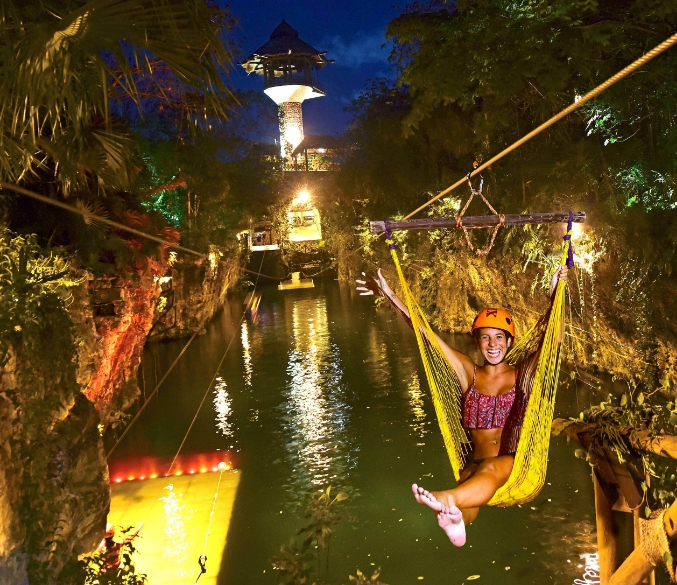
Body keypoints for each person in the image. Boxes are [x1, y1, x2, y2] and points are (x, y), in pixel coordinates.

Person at [357, 266, 568, 546]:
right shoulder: (469, 373)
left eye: (499, 337)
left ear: (509, 341)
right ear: (477, 342)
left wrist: (556, 297)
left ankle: (445, 499)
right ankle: (456, 520)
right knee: (469, 481)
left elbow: (554, 341)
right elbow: (426, 336)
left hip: (513, 465)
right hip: (476, 465)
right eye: (485, 337)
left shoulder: (523, 375)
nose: (492, 344)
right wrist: (390, 295)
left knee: (487, 472)